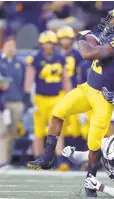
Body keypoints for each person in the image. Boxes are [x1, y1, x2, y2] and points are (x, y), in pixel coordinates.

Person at [27, 6, 114, 198]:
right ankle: (47, 158)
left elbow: (88, 54)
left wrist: (80, 38)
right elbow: (98, 46)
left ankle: (91, 181)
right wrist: (90, 38)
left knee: (94, 144)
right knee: (58, 112)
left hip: (104, 98)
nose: (110, 22)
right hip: (88, 88)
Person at [24, 30, 71, 160]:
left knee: (57, 129)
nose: (48, 46)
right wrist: (28, 97)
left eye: (50, 43)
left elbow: (65, 78)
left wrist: (69, 96)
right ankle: (38, 157)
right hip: (40, 98)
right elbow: (29, 78)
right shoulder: (35, 58)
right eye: (45, 43)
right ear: (41, 44)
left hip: (56, 97)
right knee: (38, 130)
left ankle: (59, 158)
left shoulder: (60, 58)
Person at [56, 26, 83, 170]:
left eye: (67, 38)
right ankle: (62, 160)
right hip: (58, 94)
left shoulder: (76, 55)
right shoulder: (55, 55)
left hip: (73, 93)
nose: (65, 41)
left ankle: (75, 159)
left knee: (76, 128)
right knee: (61, 128)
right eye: (63, 38)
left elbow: (80, 73)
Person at [0, 38, 25, 161]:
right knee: (0, 132)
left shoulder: (20, 63)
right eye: (9, 45)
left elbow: (25, 82)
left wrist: (25, 100)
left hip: (16, 102)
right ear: (3, 46)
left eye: (13, 45)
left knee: (13, 133)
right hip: (1, 102)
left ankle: (7, 158)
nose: (11, 48)